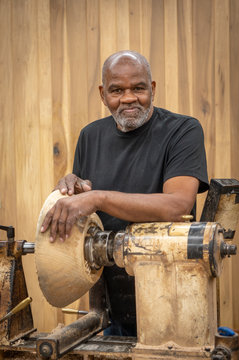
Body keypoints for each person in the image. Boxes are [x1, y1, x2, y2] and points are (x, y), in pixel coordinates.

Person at [41, 50, 209, 337]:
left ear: (152, 89)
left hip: (174, 301)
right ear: (103, 94)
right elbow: (87, 216)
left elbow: (177, 204)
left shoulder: (183, 130)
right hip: (112, 309)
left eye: (138, 88)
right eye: (117, 90)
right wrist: (75, 189)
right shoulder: (90, 136)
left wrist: (98, 197)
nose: (129, 98)